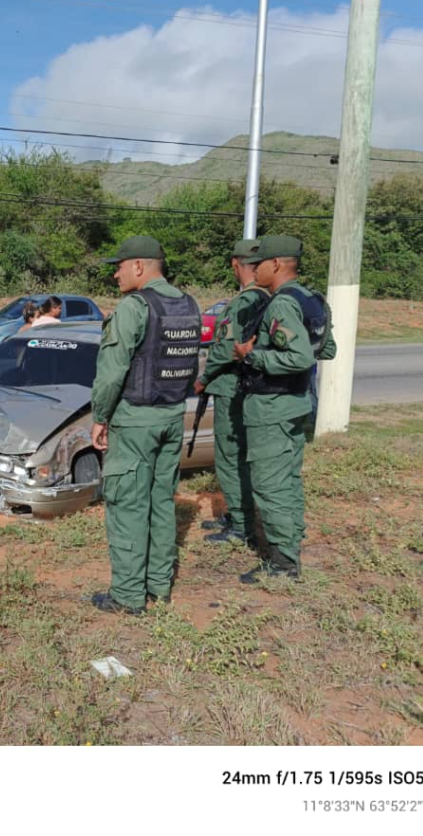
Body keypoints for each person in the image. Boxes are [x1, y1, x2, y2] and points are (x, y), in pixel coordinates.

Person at [89, 237, 201, 615]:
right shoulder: (188, 305)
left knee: (127, 506)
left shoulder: (134, 307)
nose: (115, 274)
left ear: (139, 266)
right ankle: (158, 586)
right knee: (160, 503)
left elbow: (110, 374)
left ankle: (128, 596)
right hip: (172, 417)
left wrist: (100, 417)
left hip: (136, 421)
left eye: (119, 266)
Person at [232, 235, 336, 583]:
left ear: (276, 264)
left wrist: (252, 355)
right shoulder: (312, 299)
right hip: (296, 401)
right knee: (288, 480)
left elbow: (300, 355)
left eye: (258, 264)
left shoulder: (280, 304)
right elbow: (326, 348)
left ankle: (282, 564)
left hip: (272, 406)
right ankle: (290, 544)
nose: (254, 269)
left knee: (270, 484)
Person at [193, 238, 270, 547]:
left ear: (236, 265)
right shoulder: (266, 298)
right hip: (248, 385)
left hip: (230, 386)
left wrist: (203, 377)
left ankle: (241, 524)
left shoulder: (242, 302)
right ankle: (239, 513)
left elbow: (224, 349)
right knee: (239, 455)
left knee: (229, 457)